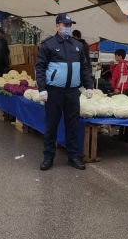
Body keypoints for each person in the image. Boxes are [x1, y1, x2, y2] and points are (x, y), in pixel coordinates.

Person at [36, 13, 93, 172]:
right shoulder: (48, 44)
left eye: (69, 25)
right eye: (64, 25)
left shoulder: (77, 45)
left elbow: (83, 67)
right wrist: (42, 89)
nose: (67, 28)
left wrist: (88, 86)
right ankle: (48, 157)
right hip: (54, 92)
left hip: (72, 93)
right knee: (51, 125)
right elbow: (40, 68)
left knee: (72, 125)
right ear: (57, 26)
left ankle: (73, 157)